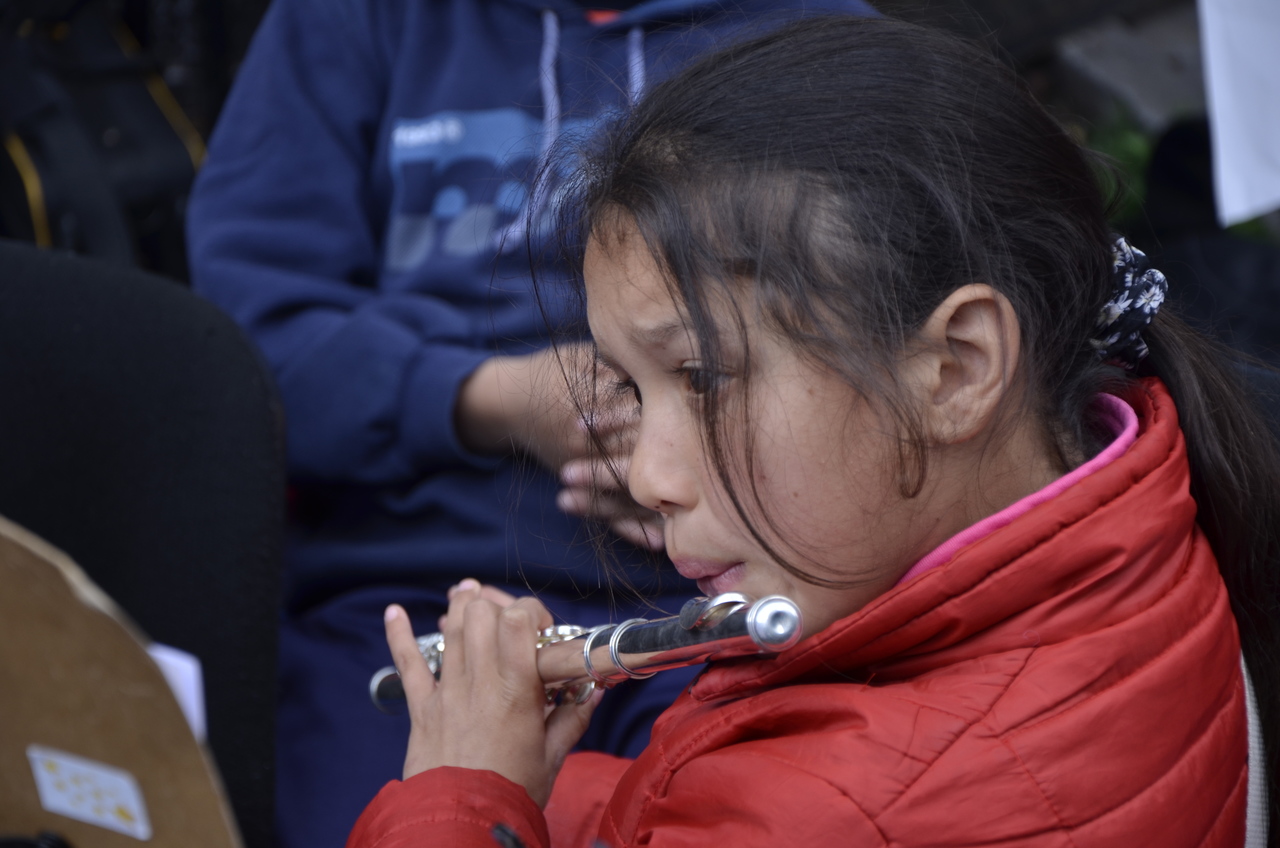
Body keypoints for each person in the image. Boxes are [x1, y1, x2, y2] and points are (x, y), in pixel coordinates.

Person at [346, 16, 1280, 848]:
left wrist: (462, 793)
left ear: (956, 369)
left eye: (704, 378)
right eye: (631, 387)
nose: (649, 477)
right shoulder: (1141, 499)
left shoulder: (833, 809)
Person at [185, 0, 876, 844]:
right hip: (405, 599)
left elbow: (869, 354)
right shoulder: (352, 19)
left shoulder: (823, 35)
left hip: (737, 595)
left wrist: (702, 445)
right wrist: (499, 398)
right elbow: (240, 351)